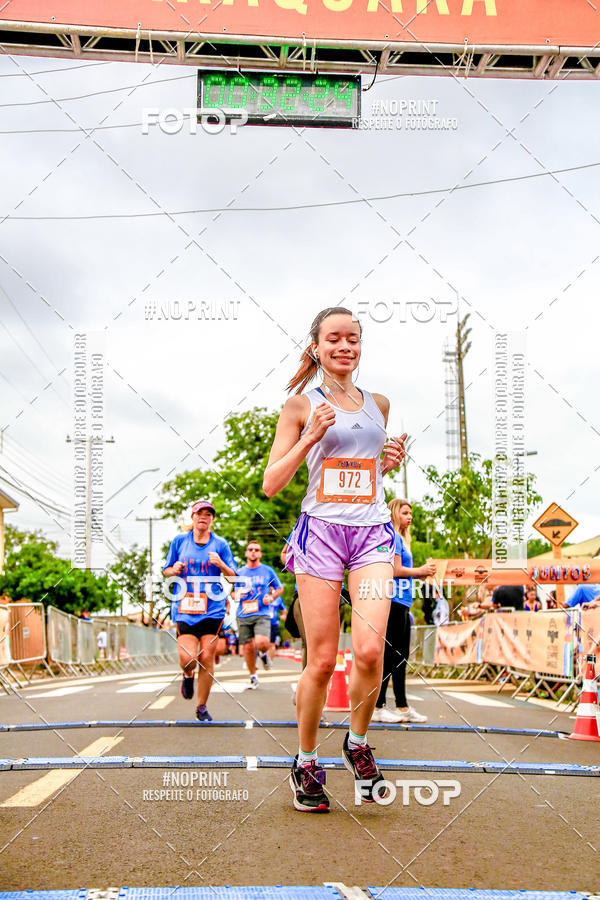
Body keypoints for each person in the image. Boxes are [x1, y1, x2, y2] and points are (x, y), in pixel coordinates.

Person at [263, 306, 406, 812]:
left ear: (360, 346)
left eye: (353, 339)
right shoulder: (301, 405)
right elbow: (271, 483)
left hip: (370, 534)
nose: (344, 347)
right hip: (320, 534)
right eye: (334, 339)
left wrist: (386, 463)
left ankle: (357, 743)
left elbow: (364, 472)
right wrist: (309, 436)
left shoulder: (379, 405)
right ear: (317, 347)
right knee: (322, 660)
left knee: (369, 652)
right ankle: (304, 762)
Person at [162, 499, 237, 721]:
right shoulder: (179, 541)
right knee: (189, 658)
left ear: (212, 519)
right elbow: (166, 570)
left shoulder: (221, 544)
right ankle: (187, 674)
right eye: (199, 513)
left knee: (207, 656)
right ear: (193, 517)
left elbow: (233, 576)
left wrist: (221, 565)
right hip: (185, 607)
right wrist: (174, 569)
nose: (203, 517)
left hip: (212, 608)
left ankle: (201, 706)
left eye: (208, 514)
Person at [372, 499, 436, 723]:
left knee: (401, 656)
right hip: (393, 599)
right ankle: (378, 705)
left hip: (403, 601)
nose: (410, 517)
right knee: (391, 655)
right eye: (405, 512)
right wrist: (421, 570)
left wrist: (421, 573)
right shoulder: (393, 536)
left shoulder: (403, 539)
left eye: (411, 513)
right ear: (394, 513)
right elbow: (396, 569)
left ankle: (402, 706)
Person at [235, 540, 284, 688]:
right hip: (243, 614)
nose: (253, 552)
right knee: (248, 648)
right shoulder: (239, 572)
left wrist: (271, 597)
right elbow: (233, 593)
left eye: (256, 549)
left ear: (260, 553)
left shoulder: (267, 571)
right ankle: (253, 676)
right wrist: (237, 595)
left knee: (262, 643)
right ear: (246, 553)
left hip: (262, 612)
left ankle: (263, 654)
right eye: (250, 549)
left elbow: (279, 588)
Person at [268, 590, 287, 660]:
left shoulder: (278, 598)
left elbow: (284, 609)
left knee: (272, 644)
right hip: (262, 622)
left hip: (274, 623)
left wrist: (284, 615)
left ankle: (270, 662)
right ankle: (262, 659)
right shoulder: (261, 595)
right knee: (263, 643)